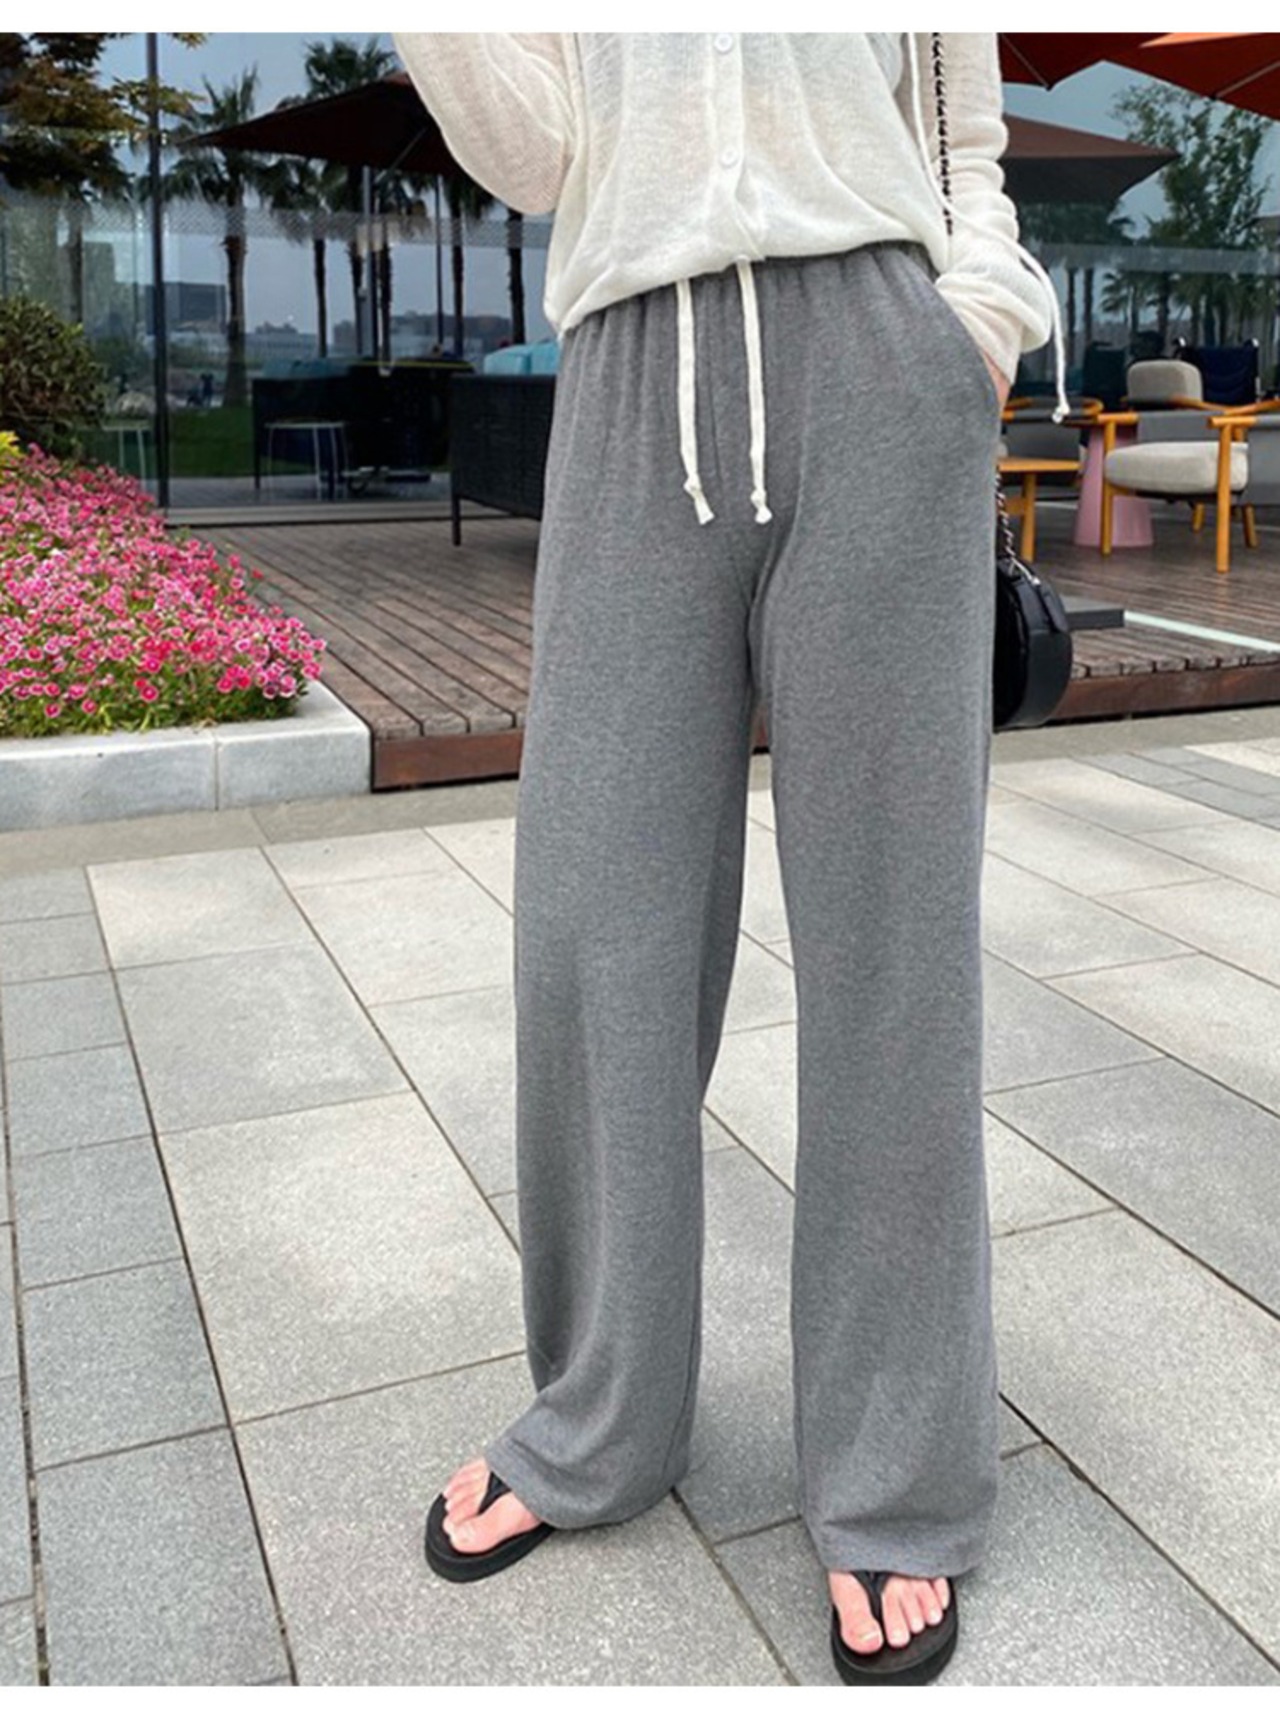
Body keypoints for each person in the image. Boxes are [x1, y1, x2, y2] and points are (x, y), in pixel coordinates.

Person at [394, 30, 1065, 1686]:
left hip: (883, 363)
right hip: (629, 372)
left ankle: (895, 1474)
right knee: (591, 925)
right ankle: (600, 1411)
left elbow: (961, 130)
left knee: (893, 949)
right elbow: (539, 153)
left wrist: (974, 326)